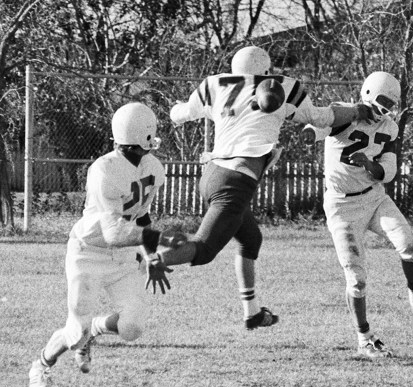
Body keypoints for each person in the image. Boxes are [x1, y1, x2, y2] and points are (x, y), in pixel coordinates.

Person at [149, 45, 374, 331]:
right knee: (204, 249)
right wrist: (356, 111)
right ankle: (158, 257)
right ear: (267, 70)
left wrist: (176, 107)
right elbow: (320, 118)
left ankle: (252, 312)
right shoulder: (281, 87)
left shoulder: (215, 84)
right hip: (235, 183)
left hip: (212, 175)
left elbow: (178, 115)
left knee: (250, 239)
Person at [28, 102, 186, 387]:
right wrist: (161, 240)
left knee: (133, 327)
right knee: (75, 333)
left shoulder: (152, 166)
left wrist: (150, 255)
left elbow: (142, 216)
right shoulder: (104, 169)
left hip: (124, 254)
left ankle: (96, 329)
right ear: (146, 135)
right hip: (89, 252)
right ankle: (41, 364)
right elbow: (114, 232)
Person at [301, 71, 413, 358]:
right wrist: (344, 115)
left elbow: (387, 171)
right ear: (367, 93)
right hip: (342, 206)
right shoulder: (343, 112)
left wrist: (370, 164)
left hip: (374, 198)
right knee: (356, 278)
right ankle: (364, 338)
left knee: (409, 246)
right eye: (382, 101)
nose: (385, 109)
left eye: (390, 103)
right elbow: (312, 129)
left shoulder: (390, 127)